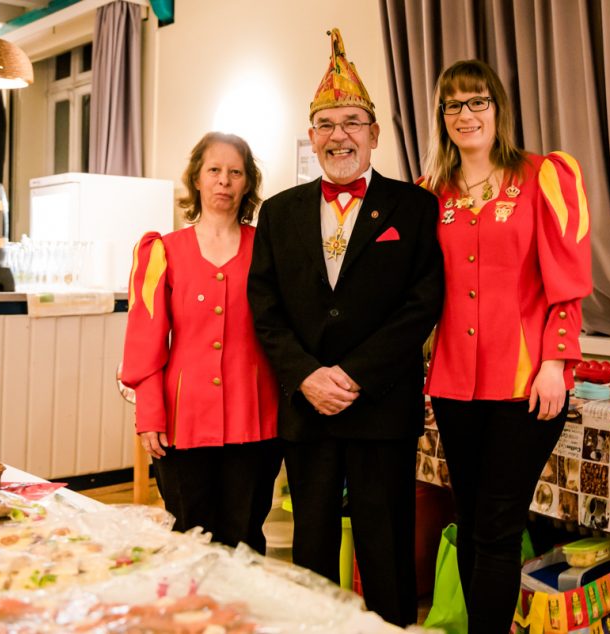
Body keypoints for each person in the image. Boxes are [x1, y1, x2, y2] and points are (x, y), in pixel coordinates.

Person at [247, 29, 444, 627]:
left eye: (353, 122)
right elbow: (265, 307)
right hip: (308, 408)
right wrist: (306, 376)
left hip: (381, 406)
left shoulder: (414, 207)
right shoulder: (278, 212)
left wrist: (355, 375)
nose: (340, 135)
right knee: (311, 547)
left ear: (374, 134)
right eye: (327, 124)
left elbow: (422, 305)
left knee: (387, 548)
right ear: (312, 137)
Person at [422, 59, 593, 633]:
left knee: (497, 526)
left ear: (497, 108)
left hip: (526, 385)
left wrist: (555, 362)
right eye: (453, 105)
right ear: (442, 116)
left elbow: (566, 282)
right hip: (454, 386)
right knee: (470, 522)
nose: (466, 114)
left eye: (478, 101)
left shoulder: (543, 176)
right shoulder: (431, 193)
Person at [120, 132, 281, 553]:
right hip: (182, 419)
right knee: (189, 537)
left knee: (246, 539)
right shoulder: (162, 251)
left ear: (247, 183)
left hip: (255, 415)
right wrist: (149, 413)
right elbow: (144, 339)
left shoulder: (269, 247)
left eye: (235, 172)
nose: (224, 181)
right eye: (214, 170)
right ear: (196, 178)